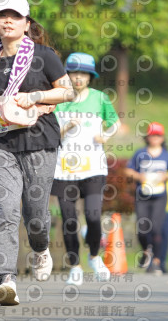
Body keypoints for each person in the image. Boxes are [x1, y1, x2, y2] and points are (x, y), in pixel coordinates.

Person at [0, 0, 73, 306]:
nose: (7, 20)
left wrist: (35, 96)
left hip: (40, 143)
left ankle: (39, 249)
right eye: (1, 16)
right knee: (6, 213)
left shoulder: (44, 55)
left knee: (35, 216)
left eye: (14, 16)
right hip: (1, 144)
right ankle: (6, 280)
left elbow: (68, 92)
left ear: (26, 23)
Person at [50, 53, 121, 286]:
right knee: (69, 219)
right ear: (67, 75)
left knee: (92, 215)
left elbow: (115, 123)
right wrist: (66, 127)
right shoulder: (59, 99)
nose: (78, 78)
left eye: (83, 74)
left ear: (90, 77)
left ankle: (93, 256)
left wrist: (105, 136)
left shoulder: (100, 99)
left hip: (93, 168)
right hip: (64, 169)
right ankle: (75, 266)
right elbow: (50, 136)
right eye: (73, 73)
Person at [125, 122, 168, 275]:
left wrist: (167, 176)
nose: (155, 138)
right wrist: (138, 175)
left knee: (157, 229)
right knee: (142, 230)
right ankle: (146, 251)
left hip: (159, 197)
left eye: (158, 135)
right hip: (143, 195)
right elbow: (128, 170)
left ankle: (156, 261)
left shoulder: (167, 156)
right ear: (147, 137)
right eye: (152, 135)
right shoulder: (140, 153)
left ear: (162, 138)